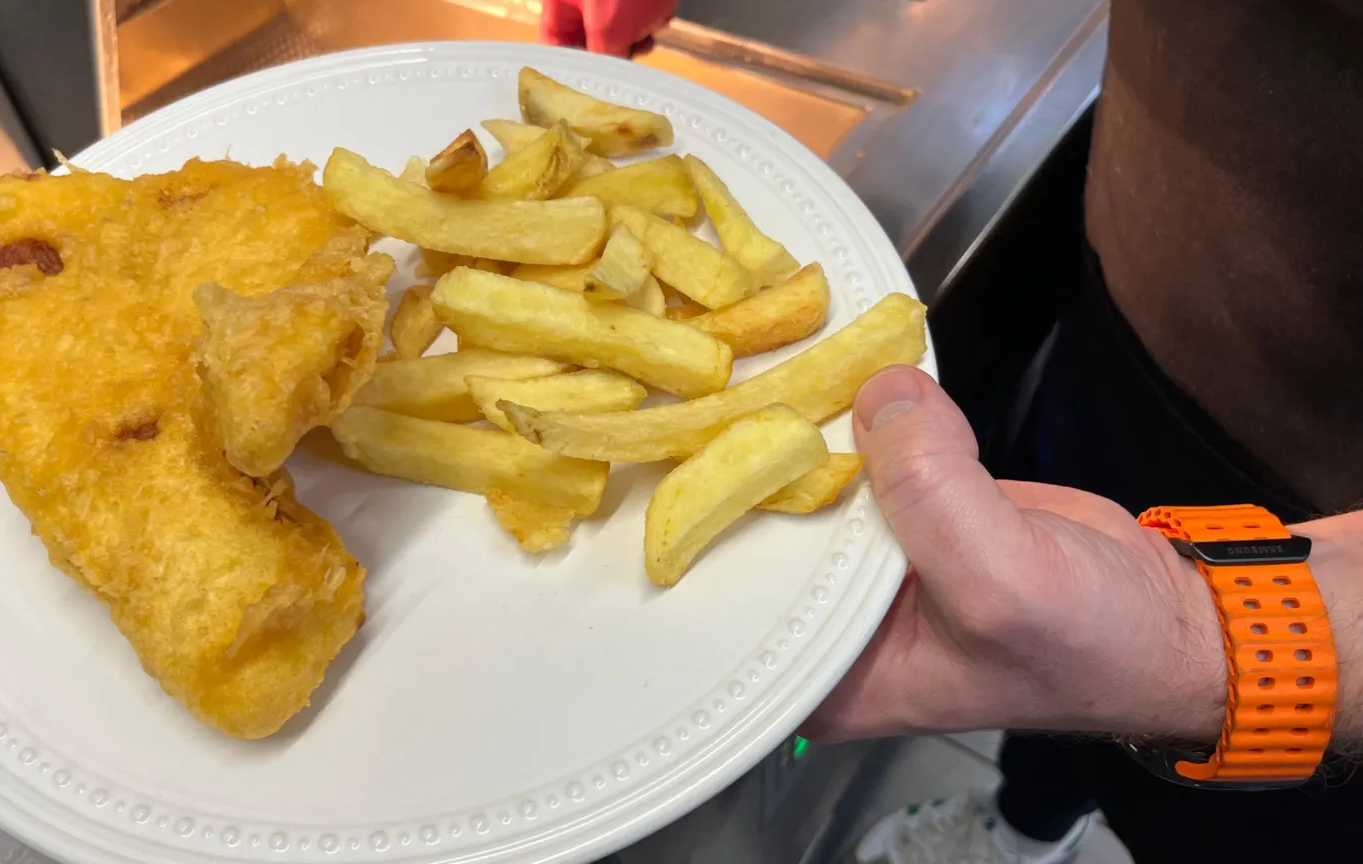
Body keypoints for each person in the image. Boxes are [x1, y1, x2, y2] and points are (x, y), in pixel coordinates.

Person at [542, 1, 1363, 862]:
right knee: (1060, 700)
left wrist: (1213, 636)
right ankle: (1026, 827)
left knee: (1232, 812)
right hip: (1139, 283)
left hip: (1328, 490)